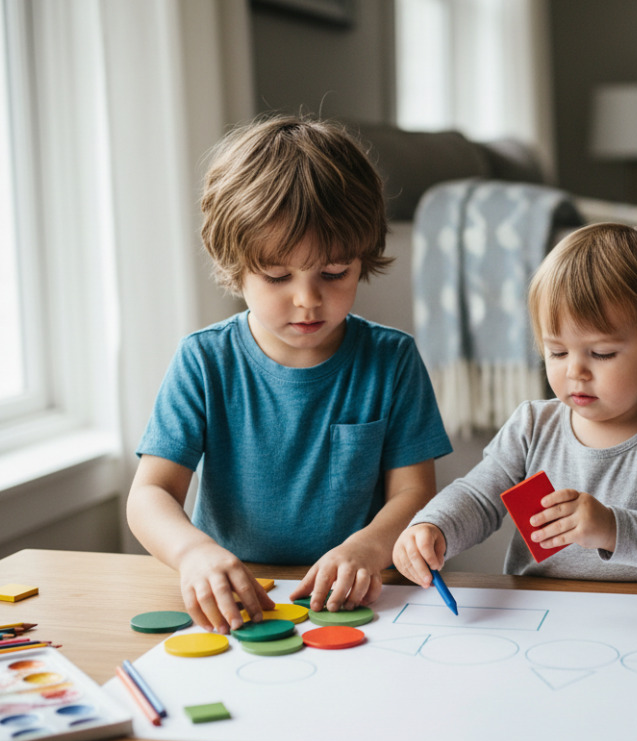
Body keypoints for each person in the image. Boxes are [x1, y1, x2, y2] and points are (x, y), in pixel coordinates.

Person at [127, 115, 452, 634]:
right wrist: (193, 554)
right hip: (240, 603)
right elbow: (150, 495)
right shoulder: (203, 360)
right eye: (278, 276)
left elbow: (414, 494)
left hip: (365, 601)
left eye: (334, 273)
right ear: (233, 265)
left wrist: (367, 547)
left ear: (361, 259)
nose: (307, 299)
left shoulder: (392, 360)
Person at [393, 222, 637, 584]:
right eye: (557, 352)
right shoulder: (532, 426)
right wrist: (433, 526)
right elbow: (478, 497)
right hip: (544, 616)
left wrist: (612, 528)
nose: (575, 372)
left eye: (601, 353)